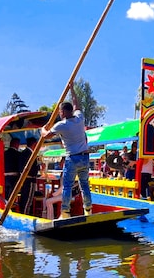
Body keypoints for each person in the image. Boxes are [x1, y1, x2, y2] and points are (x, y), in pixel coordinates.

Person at [41, 82, 92, 219]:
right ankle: (88, 209)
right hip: (84, 157)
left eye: (60, 111)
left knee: (68, 186)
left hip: (73, 158)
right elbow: (77, 105)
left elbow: (46, 136)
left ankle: (65, 212)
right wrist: (72, 90)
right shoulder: (80, 119)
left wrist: (43, 129)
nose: (59, 113)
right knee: (84, 185)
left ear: (64, 112)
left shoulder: (62, 125)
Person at [19, 137, 38, 215]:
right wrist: (39, 167)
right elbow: (32, 168)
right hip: (29, 179)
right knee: (28, 199)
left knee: (24, 198)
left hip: (24, 179)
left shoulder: (23, 152)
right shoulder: (30, 154)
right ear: (34, 144)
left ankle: (23, 213)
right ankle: (25, 214)